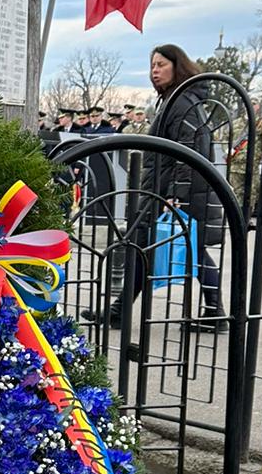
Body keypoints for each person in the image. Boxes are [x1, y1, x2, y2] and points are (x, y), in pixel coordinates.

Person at [86, 44, 225, 327]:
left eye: (161, 64)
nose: (155, 71)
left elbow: (190, 152)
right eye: (152, 66)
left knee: (183, 250)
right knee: (151, 246)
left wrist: (175, 196)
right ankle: (121, 311)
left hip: (173, 193)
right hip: (163, 189)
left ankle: (214, 312)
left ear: (178, 66)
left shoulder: (183, 102)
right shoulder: (175, 100)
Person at [227, 99, 262, 219]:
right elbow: (227, 140)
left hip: (252, 165)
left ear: (258, 106)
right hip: (236, 165)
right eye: (249, 103)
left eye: (254, 104)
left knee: (251, 194)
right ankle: (235, 218)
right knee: (235, 193)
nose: (251, 106)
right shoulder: (236, 123)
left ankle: (246, 217)